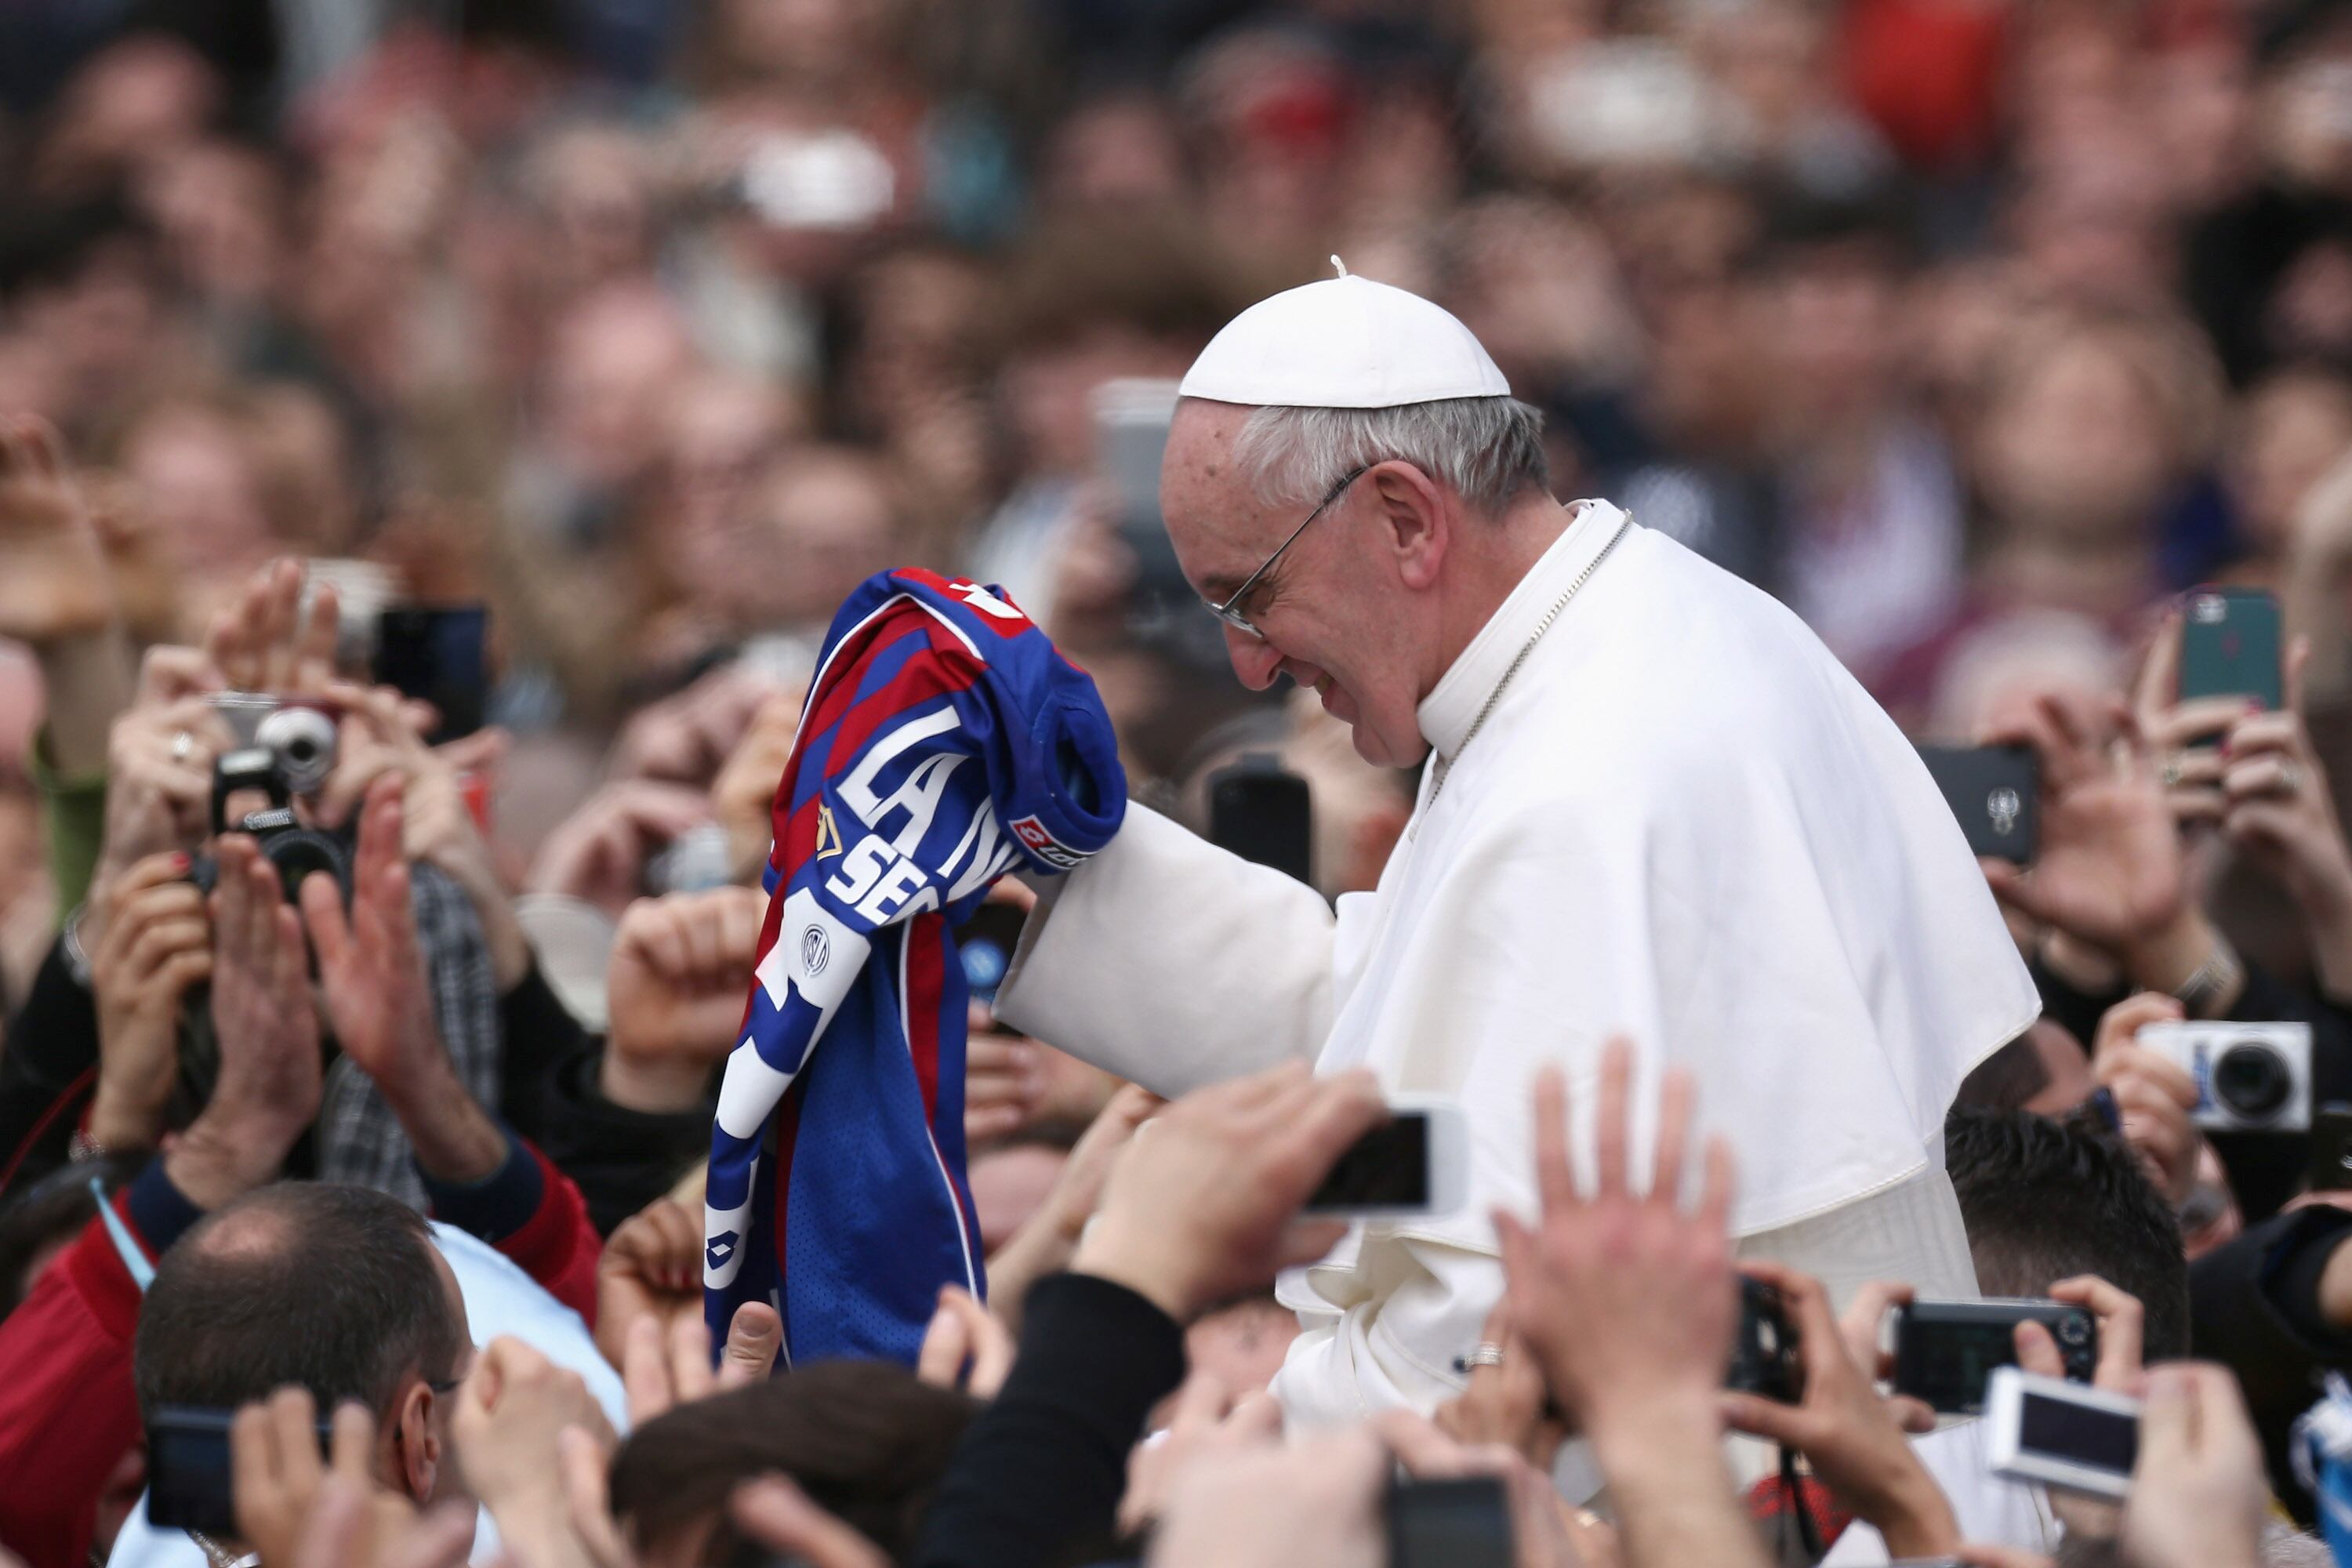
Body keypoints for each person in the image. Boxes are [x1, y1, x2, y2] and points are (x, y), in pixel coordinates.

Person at [991, 267, 2040, 1425]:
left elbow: (1484, 1344)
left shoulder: (1596, 769)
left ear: (1403, 518)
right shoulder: (1615, 631)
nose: (1248, 664)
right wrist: (1045, 848)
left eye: (1252, 599)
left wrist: (1208, 1443)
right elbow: (1398, 1018)